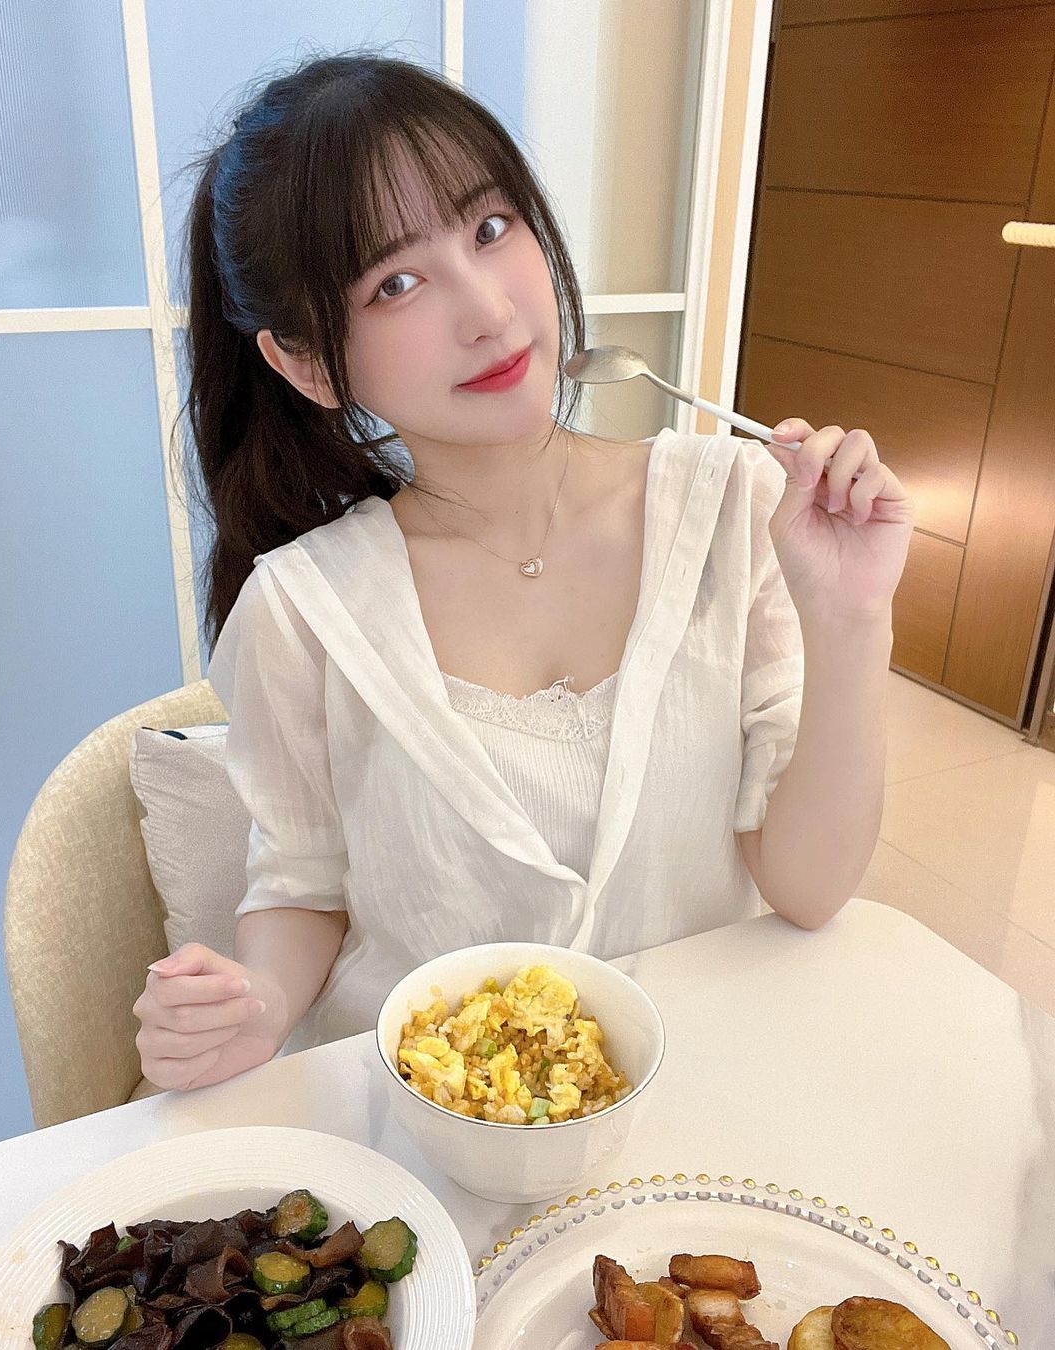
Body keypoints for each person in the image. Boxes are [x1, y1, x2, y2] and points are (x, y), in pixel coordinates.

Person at [133, 52, 914, 1093]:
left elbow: (809, 889)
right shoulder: (304, 610)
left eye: (491, 228)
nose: (490, 311)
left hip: (695, 1117)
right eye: (395, 283)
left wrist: (852, 618)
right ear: (309, 363)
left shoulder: (738, 506)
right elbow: (304, 885)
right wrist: (260, 1004)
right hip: (427, 1135)